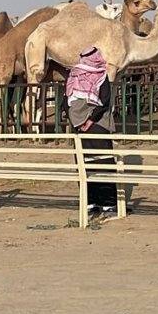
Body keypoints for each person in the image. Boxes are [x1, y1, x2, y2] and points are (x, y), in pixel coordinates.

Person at [65, 44, 118, 220]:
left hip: (79, 129)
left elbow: (65, 104)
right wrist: (90, 121)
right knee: (104, 165)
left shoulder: (73, 76)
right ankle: (108, 205)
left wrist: (78, 124)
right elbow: (104, 102)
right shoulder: (101, 76)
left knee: (86, 166)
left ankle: (90, 204)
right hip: (98, 127)